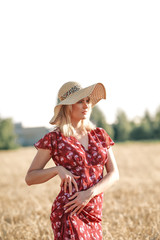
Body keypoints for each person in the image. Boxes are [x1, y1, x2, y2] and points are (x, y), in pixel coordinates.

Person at [25, 81, 119, 240]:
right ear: (68, 106)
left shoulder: (100, 135)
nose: (86, 105)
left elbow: (114, 174)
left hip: (94, 213)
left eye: (87, 101)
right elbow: (30, 177)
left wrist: (89, 194)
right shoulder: (54, 139)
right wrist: (57, 170)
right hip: (69, 211)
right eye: (79, 101)